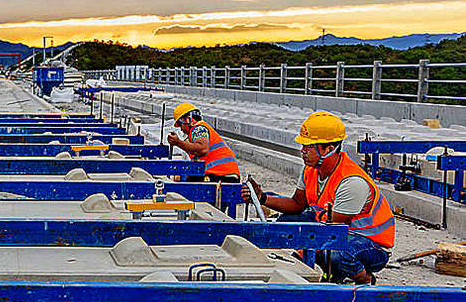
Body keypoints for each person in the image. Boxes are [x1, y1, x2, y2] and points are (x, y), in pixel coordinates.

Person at [242, 111, 395, 284]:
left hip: (370, 243)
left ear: (330, 149)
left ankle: (365, 279)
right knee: (289, 221)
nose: (303, 151)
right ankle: (330, 274)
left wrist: (300, 252)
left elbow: (333, 231)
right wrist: (262, 198)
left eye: (308, 146)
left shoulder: (351, 181)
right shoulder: (311, 170)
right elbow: (297, 204)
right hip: (335, 229)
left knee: (337, 255)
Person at [167, 102, 241, 183]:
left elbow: (202, 149)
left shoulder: (198, 128)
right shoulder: (196, 135)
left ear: (187, 119)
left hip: (222, 175)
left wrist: (178, 142)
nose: (181, 129)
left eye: (181, 124)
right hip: (226, 173)